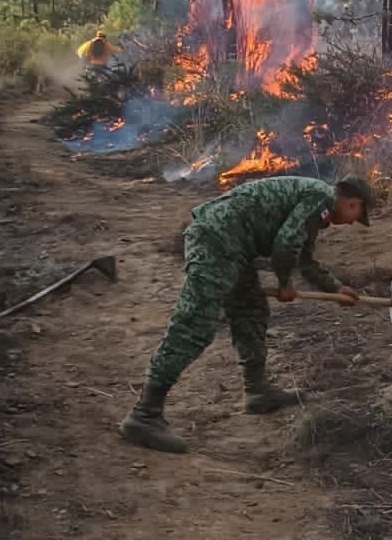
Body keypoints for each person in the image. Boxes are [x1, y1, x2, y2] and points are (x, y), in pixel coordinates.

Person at [119, 175, 374, 453]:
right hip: (217, 241)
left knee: (250, 311)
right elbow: (286, 244)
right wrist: (285, 284)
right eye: (357, 215)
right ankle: (145, 414)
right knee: (196, 324)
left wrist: (337, 288)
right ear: (353, 202)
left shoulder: (316, 204)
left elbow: (304, 259)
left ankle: (257, 391)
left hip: (233, 243)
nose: (351, 222)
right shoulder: (322, 198)